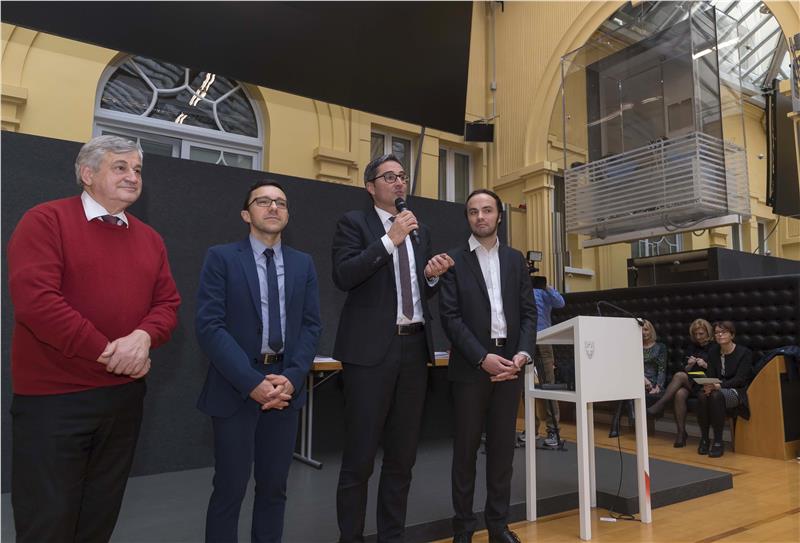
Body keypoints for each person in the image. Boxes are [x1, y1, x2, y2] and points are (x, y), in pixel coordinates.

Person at [7, 135, 181, 542]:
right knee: (47, 521)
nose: (133, 176)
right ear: (87, 173)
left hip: (123, 400)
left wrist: (143, 337)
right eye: (120, 167)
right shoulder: (45, 220)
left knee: (99, 518)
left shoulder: (150, 239)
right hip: (54, 401)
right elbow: (37, 303)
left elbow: (168, 304)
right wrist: (107, 352)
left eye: (137, 169)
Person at [332, 154, 454, 542]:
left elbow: (419, 290)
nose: (399, 182)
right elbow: (344, 275)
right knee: (360, 458)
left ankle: (392, 536)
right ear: (371, 187)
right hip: (370, 354)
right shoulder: (354, 223)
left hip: (415, 349)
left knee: (402, 458)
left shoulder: (420, 230)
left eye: (402, 176)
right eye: (389, 177)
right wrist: (390, 239)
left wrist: (432, 277)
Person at [196, 181, 322, 542]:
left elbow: (311, 326)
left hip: (284, 386)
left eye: (281, 202)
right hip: (235, 385)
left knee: (274, 487)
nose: (273, 207)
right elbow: (210, 326)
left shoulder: (302, 264)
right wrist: (251, 382)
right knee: (229, 488)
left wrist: (293, 377)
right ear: (245, 213)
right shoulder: (221, 258)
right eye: (263, 201)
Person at [439, 189, 537, 543]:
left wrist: (522, 355)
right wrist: (482, 358)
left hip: (510, 366)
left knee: (502, 453)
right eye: (473, 211)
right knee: (465, 453)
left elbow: (528, 313)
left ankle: (498, 527)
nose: (480, 216)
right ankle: (463, 529)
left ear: (499, 216)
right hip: (471, 367)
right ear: (467, 218)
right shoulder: (452, 260)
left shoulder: (515, 260)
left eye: (486, 210)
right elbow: (450, 317)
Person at [646, 318, 714, 447]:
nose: (698, 337)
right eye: (695, 334)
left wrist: (705, 365)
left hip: (707, 381)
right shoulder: (691, 347)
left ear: (708, 332)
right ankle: (681, 433)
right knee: (679, 394)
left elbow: (717, 370)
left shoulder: (714, 347)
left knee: (679, 375)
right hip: (692, 381)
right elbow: (686, 369)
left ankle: (660, 404)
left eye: (701, 333)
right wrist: (690, 365)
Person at [695, 321, 752, 458]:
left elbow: (740, 379)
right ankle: (704, 438)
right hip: (716, 388)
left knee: (716, 396)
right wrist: (708, 385)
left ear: (732, 335)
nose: (720, 335)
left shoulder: (744, 352)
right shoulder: (713, 352)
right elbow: (710, 374)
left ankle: (718, 441)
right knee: (702, 395)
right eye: (717, 333)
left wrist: (718, 386)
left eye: (724, 332)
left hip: (736, 391)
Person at [609, 319, 666, 438]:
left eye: (646, 330)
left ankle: (616, 425)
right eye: (641, 330)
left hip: (651, 382)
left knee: (625, 389)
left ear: (651, 330)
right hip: (636, 378)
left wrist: (658, 386)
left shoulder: (660, 347)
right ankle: (631, 416)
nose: (644, 333)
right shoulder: (634, 346)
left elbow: (662, 368)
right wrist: (643, 379)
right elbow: (631, 366)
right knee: (627, 383)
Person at [531, 276, 565, 448]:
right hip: (525, 340)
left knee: (549, 386)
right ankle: (531, 429)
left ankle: (553, 431)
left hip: (544, 339)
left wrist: (547, 287)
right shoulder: (520, 288)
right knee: (525, 388)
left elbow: (560, 303)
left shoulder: (543, 291)